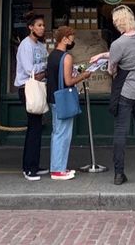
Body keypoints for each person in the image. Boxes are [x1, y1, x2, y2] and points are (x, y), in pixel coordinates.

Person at [90, 5, 135, 186]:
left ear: (117, 22)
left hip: (126, 91)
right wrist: (102, 55)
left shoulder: (118, 43)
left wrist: (108, 61)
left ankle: (119, 174)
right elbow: (128, 53)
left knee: (121, 132)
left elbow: (113, 68)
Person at [46, 26, 91, 181]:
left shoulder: (51, 55)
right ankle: (58, 170)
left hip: (53, 98)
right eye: (72, 37)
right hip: (63, 99)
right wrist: (84, 75)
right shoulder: (67, 57)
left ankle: (57, 167)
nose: (73, 40)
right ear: (64, 38)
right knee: (63, 135)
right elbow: (68, 81)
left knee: (57, 133)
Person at [14, 14, 49, 181]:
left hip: (39, 86)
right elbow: (30, 70)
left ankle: (34, 164)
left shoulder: (41, 46)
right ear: (31, 27)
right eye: (39, 25)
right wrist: (42, 70)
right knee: (33, 126)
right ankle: (28, 168)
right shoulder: (25, 45)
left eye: (43, 25)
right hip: (27, 87)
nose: (42, 28)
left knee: (37, 127)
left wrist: (42, 70)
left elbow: (45, 65)